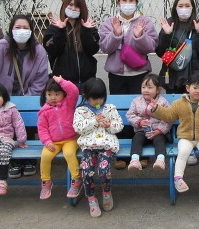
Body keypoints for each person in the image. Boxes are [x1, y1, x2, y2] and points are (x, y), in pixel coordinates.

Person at [0, 13, 48, 179]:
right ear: (11, 29)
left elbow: (41, 79)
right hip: (3, 100)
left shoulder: (39, 51)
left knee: (27, 129)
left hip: (28, 98)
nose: (21, 31)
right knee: (7, 131)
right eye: (18, 27)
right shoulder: (1, 46)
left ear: (31, 30)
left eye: (25, 28)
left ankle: (29, 161)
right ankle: (13, 162)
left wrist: (26, 99)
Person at [148, 74, 199, 194]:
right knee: (182, 153)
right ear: (188, 88)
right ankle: (178, 178)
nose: (197, 91)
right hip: (185, 137)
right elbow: (169, 116)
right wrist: (157, 108)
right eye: (195, 88)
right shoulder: (179, 103)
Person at [72, 77, 125, 218]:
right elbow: (78, 128)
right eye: (95, 99)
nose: (98, 102)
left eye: (101, 98)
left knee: (104, 170)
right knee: (86, 171)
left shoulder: (110, 109)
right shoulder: (81, 111)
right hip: (88, 146)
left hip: (106, 146)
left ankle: (106, 193)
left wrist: (110, 125)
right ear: (86, 96)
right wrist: (94, 121)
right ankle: (91, 199)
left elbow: (119, 126)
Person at [98, 0, 158, 94]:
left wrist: (140, 36)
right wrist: (115, 34)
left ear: (136, 3)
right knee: (118, 103)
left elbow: (152, 47)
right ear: (118, 3)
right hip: (116, 76)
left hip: (140, 74)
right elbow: (105, 48)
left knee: (140, 103)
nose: (128, 3)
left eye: (131, 0)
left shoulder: (145, 22)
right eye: (124, 0)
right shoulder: (110, 22)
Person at [155, 0, 199, 94]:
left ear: (192, 8)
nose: (184, 8)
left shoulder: (198, 24)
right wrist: (166, 35)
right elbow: (160, 52)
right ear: (175, 8)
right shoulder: (168, 24)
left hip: (194, 76)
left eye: (187, 6)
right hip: (172, 76)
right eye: (180, 6)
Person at [43, 0, 99, 89]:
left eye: (77, 6)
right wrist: (60, 31)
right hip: (62, 82)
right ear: (65, 5)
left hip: (87, 82)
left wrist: (86, 31)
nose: (73, 9)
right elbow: (52, 50)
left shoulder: (89, 27)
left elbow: (93, 50)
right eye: (70, 5)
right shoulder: (54, 28)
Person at [37, 76, 81, 200]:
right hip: (53, 142)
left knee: (69, 154)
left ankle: (76, 179)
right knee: (45, 156)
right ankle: (46, 182)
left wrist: (62, 81)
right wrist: (47, 141)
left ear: (63, 94)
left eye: (57, 94)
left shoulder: (69, 103)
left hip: (71, 139)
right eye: (49, 94)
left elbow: (74, 91)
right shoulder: (44, 111)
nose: (53, 97)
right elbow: (42, 129)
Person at [125, 73, 173, 172]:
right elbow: (130, 115)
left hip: (158, 132)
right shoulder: (136, 101)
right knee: (137, 138)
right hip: (142, 131)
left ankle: (160, 160)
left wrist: (159, 131)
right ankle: (134, 160)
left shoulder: (162, 102)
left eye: (150, 87)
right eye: (143, 87)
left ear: (158, 90)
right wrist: (139, 122)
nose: (146, 90)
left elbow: (168, 117)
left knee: (159, 140)